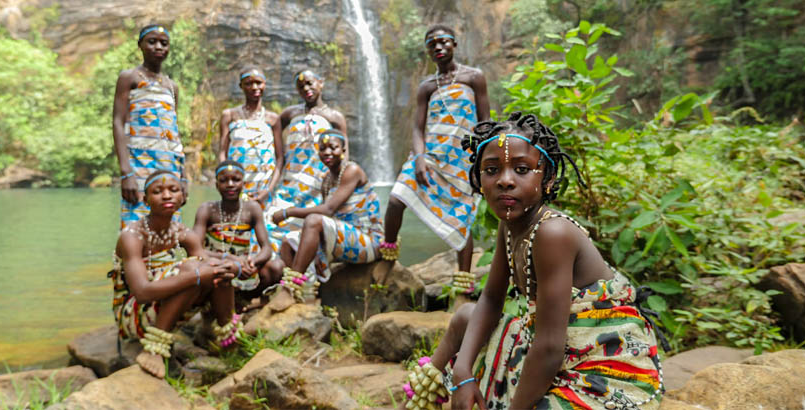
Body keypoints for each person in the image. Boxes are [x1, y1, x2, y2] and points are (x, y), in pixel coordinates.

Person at [403, 113, 665, 410]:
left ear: (548, 177)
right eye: (491, 170)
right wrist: (462, 374)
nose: (505, 180)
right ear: (478, 179)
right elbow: (490, 299)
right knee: (465, 316)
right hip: (556, 350)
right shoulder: (510, 225)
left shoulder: (552, 233)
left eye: (522, 169)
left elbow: (550, 347)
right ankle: (417, 402)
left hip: (603, 369)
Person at [380, 25, 489, 300]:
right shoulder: (426, 86)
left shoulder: (474, 78)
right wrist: (418, 158)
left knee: (462, 219)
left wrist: (482, 162)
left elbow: (485, 122)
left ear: (454, 44)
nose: (438, 47)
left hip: (461, 161)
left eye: (443, 42)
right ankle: (388, 254)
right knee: (395, 200)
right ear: (428, 52)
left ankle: (463, 286)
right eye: (432, 45)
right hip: (429, 156)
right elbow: (418, 128)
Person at [109, 170, 240, 379]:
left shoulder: (184, 234)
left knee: (217, 270)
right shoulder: (132, 237)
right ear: (145, 200)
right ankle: (153, 350)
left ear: (183, 197)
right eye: (157, 191)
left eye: (173, 190)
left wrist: (230, 267)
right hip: (134, 313)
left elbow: (207, 267)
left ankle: (227, 338)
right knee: (193, 270)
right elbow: (142, 293)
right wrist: (196, 275)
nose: (167, 196)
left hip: (167, 305)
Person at [269, 129, 383, 310]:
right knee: (287, 243)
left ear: (344, 150)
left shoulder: (352, 170)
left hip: (368, 241)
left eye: (333, 147)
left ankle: (290, 289)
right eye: (322, 148)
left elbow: (327, 210)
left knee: (313, 221)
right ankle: (308, 294)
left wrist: (288, 212)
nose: (327, 152)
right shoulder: (327, 180)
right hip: (344, 239)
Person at [112, 24, 187, 229]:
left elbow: (175, 133)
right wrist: (126, 171)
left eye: (164, 43)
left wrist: (183, 177)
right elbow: (118, 122)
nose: (158, 47)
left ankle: (166, 262)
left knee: (169, 221)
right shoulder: (130, 77)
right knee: (135, 223)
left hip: (169, 164)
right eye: (152, 42)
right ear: (140, 45)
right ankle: (132, 262)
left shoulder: (172, 86)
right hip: (139, 164)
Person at [265, 69, 348, 251]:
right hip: (289, 185)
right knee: (270, 223)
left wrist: (337, 187)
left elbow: (344, 156)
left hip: (319, 186)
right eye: (301, 86)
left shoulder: (335, 117)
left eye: (310, 83)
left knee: (310, 230)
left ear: (321, 82)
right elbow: (275, 146)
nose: (306, 88)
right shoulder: (289, 114)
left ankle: (303, 271)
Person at [192, 160, 283, 308]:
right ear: (216, 185)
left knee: (276, 267)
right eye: (223, 180)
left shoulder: (252, 209)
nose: (230, 184)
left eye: (236, 179)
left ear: (243, 184)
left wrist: (252, 263)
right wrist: (230, 259)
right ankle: (215, 304)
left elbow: (266, 248)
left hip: (242, 269)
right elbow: (195, 250)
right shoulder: (207, 209)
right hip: (215, 266)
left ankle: (245, 300)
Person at [217, 67, 283, 207]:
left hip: (264, 186)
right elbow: (223, 152)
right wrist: (226, 179)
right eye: (248, 83)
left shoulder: (273, 119)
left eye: (258, 83)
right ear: (241, 86)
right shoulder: (229, 116)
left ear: (265, 84)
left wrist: (268, 190)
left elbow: (280, 158)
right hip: (235, 184)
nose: (254, 87)